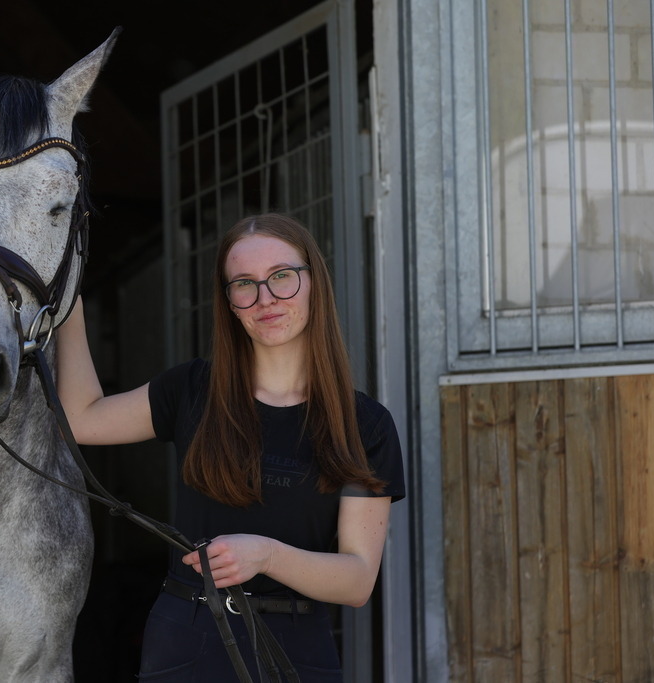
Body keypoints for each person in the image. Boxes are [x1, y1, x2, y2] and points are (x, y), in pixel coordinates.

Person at [56, 213, 405, 682]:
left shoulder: (364, 424)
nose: (266, 298)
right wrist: (70, 304)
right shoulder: (192, 390)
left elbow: (358, 579)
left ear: (313, 282)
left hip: (297, 647)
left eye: (282, 276)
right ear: (230, 303)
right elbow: (82, 420)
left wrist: (266, 555)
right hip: (189, 637)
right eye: (245, 284)